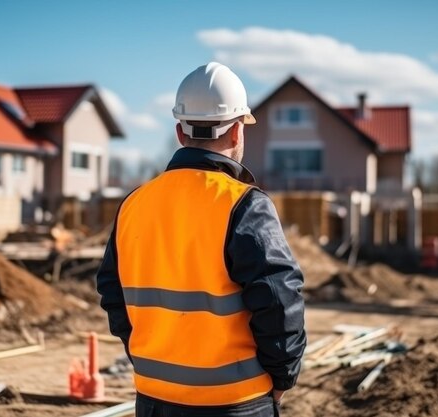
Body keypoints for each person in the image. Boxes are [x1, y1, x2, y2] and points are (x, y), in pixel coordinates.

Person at [97, 62, 306, 417]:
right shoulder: (245, 205)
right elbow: (279, 301)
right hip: (234, 403)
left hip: (153, 401)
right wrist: (283, 378)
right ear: (238, 131)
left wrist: (146, 360)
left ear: (180, 132)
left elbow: (112, 294)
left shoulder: (134, 204)